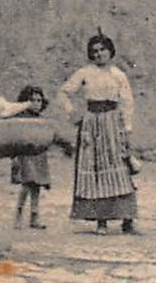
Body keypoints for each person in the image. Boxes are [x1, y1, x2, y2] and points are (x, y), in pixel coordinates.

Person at [58, 33, 140, 235]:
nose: (99, 54)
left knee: (120, 168)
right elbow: (64, 92)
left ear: (110, 51)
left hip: (112, 123)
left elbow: (127, 102)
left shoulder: (118, 74)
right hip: (92, 124)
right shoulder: (85, 73)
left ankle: (127, 219)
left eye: (102, 49)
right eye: (94, 51)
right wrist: (72, 113)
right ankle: (101, 221)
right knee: (95, 169)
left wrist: (126, 127)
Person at [0, 86, 53, 229]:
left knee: (37, 186)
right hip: (25, 156)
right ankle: (18, 216)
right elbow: (13, 139)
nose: (36, 104)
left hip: (39, 157)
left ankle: (34, 217)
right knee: (26, 186)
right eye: (32, 100)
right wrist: (14, 157)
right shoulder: (20, 119)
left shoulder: (42, 120)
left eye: (39, 100)